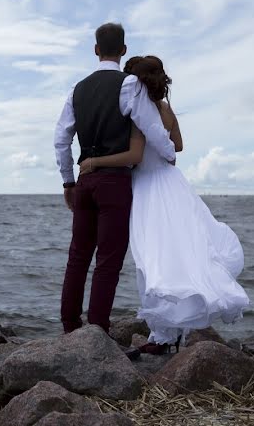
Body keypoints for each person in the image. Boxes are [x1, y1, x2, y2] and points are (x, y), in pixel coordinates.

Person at [80, 55, 250, 352]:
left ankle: (163, 334)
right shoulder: (167, 110)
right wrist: (166, 151)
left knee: (153, 257)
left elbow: (134, 157)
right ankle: (172, 332)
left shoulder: (138, 117)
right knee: (178, 251)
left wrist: (95, 162)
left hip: (148, 188)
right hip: (173, 183)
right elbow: (178, 147)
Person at [53, 24, 176, 335]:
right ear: (123, 50)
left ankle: (70, 327)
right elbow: (153, 130)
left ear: (96, 50)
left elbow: (60, 140)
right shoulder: (130, 85)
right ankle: (97, 330)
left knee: (77, 257)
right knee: (107, 262)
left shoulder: (76, 90)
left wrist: (68, 182)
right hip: (114, 184)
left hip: (84, 181)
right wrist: (170, 155)